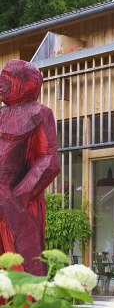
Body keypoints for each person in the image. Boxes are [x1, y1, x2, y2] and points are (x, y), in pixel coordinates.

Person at [0, 60, 60, 275]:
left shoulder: (39, 113)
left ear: (25, 83)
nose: (1, 84)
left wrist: (19, 196)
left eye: (7, 79)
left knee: (26, 267)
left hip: (19, 203)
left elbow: (49, 160)